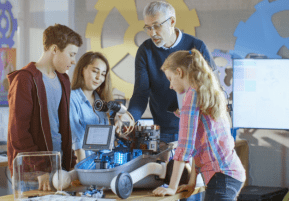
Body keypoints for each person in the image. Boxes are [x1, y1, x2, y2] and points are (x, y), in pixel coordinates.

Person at [152, 49, 246, 200]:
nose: (170, 85)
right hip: (229, 174)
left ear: (179, 72)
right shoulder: (204, 93)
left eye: (170, 78)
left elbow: (184, 146)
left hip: (221, 176)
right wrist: (191, 183)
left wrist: (171, 187)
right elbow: (198, 147)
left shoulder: (192, 96)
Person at [128, 1, 218, 144]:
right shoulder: (145, 51)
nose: (152, 33)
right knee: (157, 166)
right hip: (160, 130)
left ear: (172, 21)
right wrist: (128, 119)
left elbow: (213, 89)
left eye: (157, 26)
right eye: (148, 28)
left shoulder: (196, 47)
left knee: (192, 166)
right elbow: (140, 94)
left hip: (195, 130)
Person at [7, 24, 83, 191]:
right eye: (71, 54)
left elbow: (64, 128)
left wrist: (71, 165)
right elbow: (18, 133)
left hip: (59, 169)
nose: (73, 60)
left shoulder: (63, 80)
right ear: (55, 49)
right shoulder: (25, 80)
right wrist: (39, 169)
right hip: (32, 173)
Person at [70, 51, 113, 162]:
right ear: (82, 70)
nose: (99, 77)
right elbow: (77, 140)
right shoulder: (72, 98)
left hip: (104, 163)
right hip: (86, 164)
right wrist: (83, 171)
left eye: (103, 74)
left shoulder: (101, 101)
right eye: (95, 71)